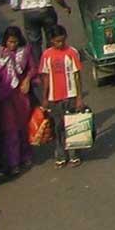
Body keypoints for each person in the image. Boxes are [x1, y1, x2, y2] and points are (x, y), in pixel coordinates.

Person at [34, 27, 82, 168]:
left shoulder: (72, 52)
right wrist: (45, 97)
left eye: (62, 40)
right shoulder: (46, 55)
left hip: (71, 95)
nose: (59, 44)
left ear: (65, 37)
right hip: (54, 98)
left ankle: (74, 155)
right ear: (51, 41)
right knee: (57, 127)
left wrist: (79, 97)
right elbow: (46, 77)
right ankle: (60, 155)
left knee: (72, 126)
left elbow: (77, 75)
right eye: (56, 41)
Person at [0, 28, 32, 181]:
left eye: (15, 42)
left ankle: (25, 156)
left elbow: (32, 69)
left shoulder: (24, 53)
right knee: (10, 131)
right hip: (4, 97)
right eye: (10, 42)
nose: (13, 45)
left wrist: (28, 80)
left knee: (23, 127)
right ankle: (13, 162)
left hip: (20, 96)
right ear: (5, 41)